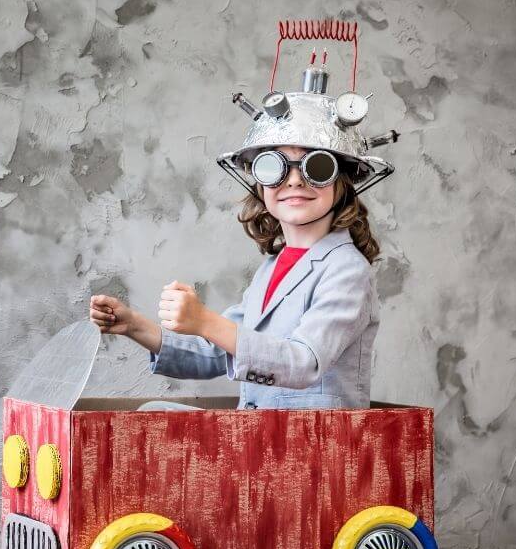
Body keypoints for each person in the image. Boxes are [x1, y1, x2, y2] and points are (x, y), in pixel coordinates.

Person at [89, 48, 398, 410]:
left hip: (316, 449)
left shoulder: (347, 271)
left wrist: (204, 320)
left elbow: (304, 363)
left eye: (316, 167)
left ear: (343, 182)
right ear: (260, 184)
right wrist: (135, 326)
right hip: (261, 441)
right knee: (154, 413)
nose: (295, 181)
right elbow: (217, 352)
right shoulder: (274, 268)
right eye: (275, 166)